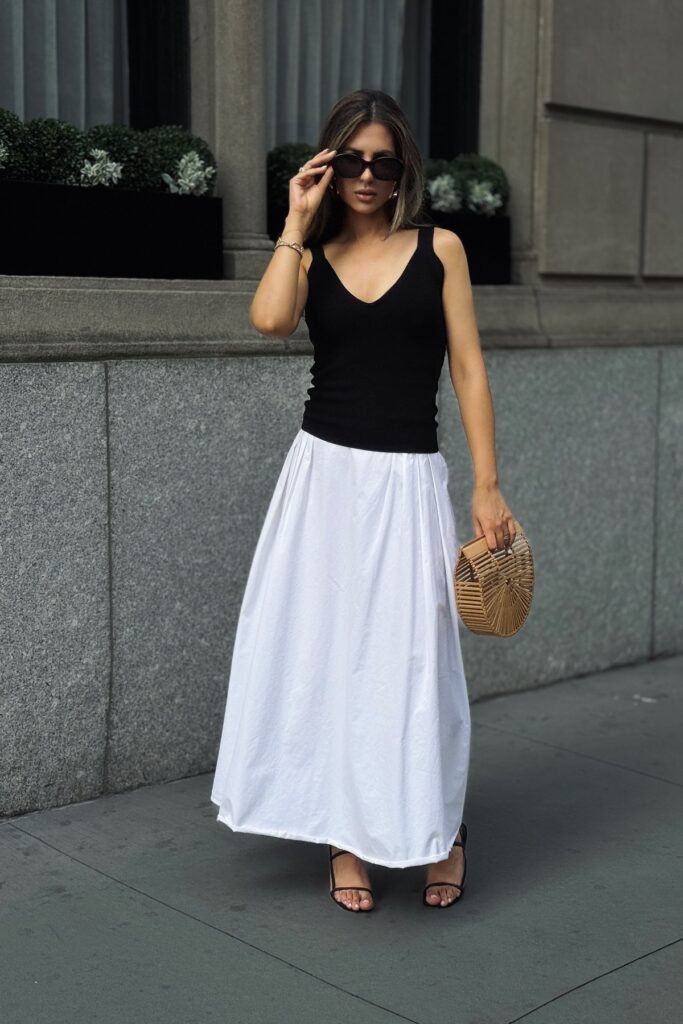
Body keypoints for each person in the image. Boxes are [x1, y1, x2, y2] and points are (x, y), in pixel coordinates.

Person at [210, 89, 517, 913]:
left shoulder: (440, 248)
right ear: (329, 163)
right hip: (323, 482)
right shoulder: (309, 256)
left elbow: (468, 368)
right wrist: (293, 218)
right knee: (327, 656)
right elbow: (269, 320)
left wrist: (486, 484)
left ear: (403, 167)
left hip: (408, 479)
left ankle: (440, 830)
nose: (368, 175)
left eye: (383, 161)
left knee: (414, 662)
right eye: (351, 160)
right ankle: (346, 837)